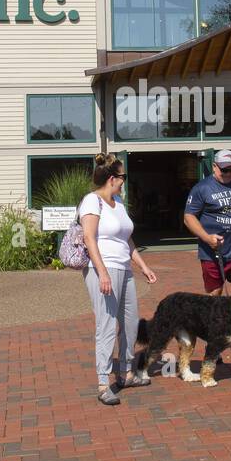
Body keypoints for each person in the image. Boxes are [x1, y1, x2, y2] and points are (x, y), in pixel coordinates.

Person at [79, 154, 157, 406]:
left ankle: (125, 373)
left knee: (130, 322)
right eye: (122, 177)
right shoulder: (92, 201)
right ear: (112, 179)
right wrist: (101, 272)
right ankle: (103, 383)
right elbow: (90, 238)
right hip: (103, 269)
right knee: (106, 325)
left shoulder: (119, 202)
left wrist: (143, 266)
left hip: (124, 268)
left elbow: (127, 240)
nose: (124, 181)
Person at [183, 150, 231, 297]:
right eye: (224, 169)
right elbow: (189, 217)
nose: (227, 173)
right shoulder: (201, 188)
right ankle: (213, 321)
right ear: (214, 166)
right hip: (212, 254)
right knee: (214, 297)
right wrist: (207, 238)